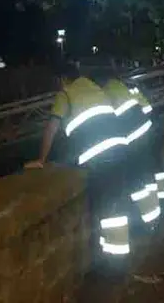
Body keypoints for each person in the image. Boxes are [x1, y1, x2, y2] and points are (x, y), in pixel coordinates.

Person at [26, 62, 132, 265]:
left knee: (106, 212)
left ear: (61, 79)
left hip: (102, 158)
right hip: (121, 150)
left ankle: (111, 267)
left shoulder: (65, 94)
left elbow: (51, 128)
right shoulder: (93, 87)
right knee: (116, 211)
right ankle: (117, 262)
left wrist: (41, 160)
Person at [100, 77, 163, 233]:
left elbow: (110, 122)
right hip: (149, 130)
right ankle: (155, 218)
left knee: (138, 182)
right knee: (149, 178)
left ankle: (148, 222)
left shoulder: (104, 92)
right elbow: (147, 109)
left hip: (135, 137)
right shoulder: (125, 86)